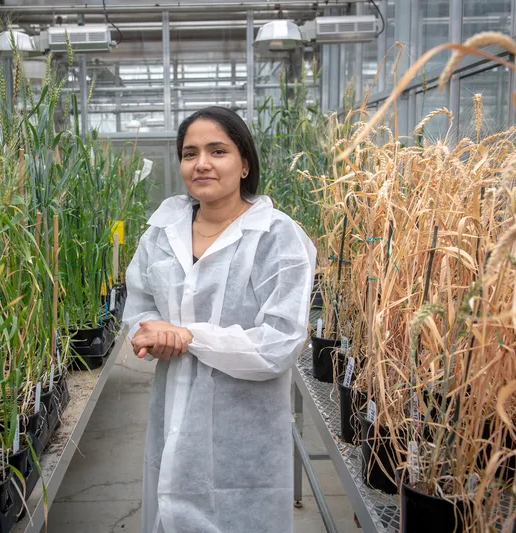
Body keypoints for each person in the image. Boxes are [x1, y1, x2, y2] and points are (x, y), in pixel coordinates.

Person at [123, 106, 316, 533]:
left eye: (218, 151)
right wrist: (151, 332)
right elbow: (138, 304)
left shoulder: (276, 238)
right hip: (171, 414)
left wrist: (188, 336)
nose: (202, 163)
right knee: (170, 506)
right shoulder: (161, 231)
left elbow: (278, 343)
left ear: (244, 163)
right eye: (190, 153)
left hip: (243, 431)